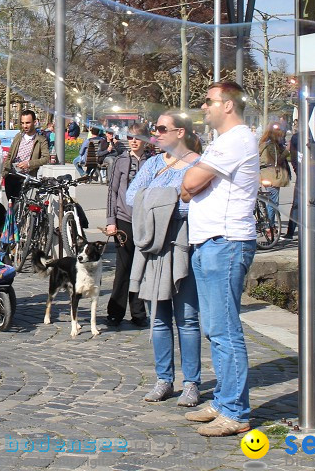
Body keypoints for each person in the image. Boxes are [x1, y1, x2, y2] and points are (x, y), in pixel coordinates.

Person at [179, 81, 259, 437]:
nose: (204, 107)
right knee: (214, 328)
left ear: (228, 105)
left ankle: (236, 410)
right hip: (208, 241)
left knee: (225, 330)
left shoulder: (236, 139)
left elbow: (191, 180)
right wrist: (192, 182)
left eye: (208, 100)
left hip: (225, 242)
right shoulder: (220, 142)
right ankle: (225, 399)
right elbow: (188, 185)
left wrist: (192, 182)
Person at [125, 112, 203, 408]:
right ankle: (163, 379)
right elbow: (132, 197)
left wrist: (155, 200)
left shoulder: (198, 164)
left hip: (183, 246)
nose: (154, 134)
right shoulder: (153, 164)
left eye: (161, 129)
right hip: (153, 249)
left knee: (187, 318)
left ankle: (192, 383)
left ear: (180, 132)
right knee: (157, 317)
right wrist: (172, 197)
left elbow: (194, 205)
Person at [105, 122, 150, 329]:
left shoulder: (152, 162)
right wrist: (111, 221)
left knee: (141, 267)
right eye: (130, 137)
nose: (133, 141)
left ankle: (139, 312)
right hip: (124, 219)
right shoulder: (121, 161)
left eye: (138, 138)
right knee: (123, 267)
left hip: (145, 220)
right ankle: (115, 311)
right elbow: (112, 192)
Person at [3, 110, 49, 194]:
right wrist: (5, 171)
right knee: (12, 205)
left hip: (27, 178)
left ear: (34, 122)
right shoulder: (18, 136)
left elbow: (46, 158)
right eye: (22, 123)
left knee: (24, 205)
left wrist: (29, 164)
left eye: (27, 123)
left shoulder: (41, 140)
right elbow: (10, 155)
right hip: (11, 176)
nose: (25, 126)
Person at [258, 124, 291, 226]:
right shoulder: (271, 145)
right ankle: (269, 226)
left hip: (265, 174)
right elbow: (277, 160)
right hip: (272, 176)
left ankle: (272, 225)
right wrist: (287, 150)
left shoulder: (263, 143)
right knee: (273, 202)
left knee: (271, 200)